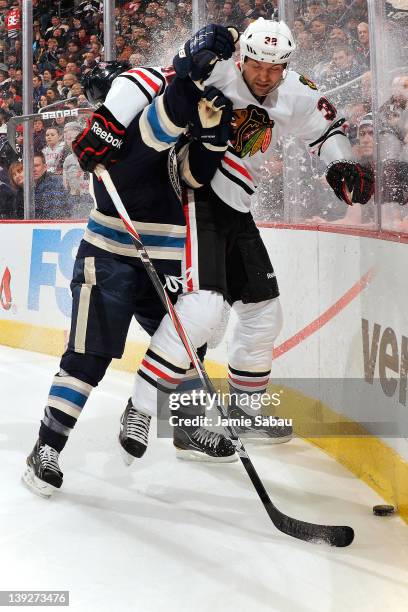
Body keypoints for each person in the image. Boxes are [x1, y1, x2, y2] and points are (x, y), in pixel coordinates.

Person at [106, 19, 373, 452]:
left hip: (237, 207)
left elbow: (326, 131)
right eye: (257, 65)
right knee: (203, 311)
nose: (265, 76)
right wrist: (183, 59)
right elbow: (161, 87)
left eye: (275, 67)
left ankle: (245, 411)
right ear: (241, 58)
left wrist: (341, 163)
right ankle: (140, 408)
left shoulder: (297, 92)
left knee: (264, 312)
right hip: (193, 198)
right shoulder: (216, 71)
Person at [23, 57, 237, 498]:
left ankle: (188, 428)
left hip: (166, 257)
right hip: (110, 257)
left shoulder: (167, 122)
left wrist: (212, 138)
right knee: (89, 356)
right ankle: (46, 447)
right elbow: (146, 155)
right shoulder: (114, 144)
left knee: (184, 347)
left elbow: (193, 174)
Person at [33, 152, 68, 219]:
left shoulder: (54, 183)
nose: (33, 169)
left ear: (45, 167)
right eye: (30, 166)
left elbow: (54, 213)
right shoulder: (27, 185)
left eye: (37, 166)